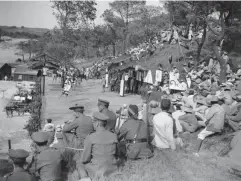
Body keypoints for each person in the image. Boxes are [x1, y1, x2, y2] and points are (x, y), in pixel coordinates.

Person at [76, 112, 118, 180]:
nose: (92, 124)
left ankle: (85, 178)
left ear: (97, 123)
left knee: (79, 163)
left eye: (93, 122)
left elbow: (85, 159)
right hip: (113, 169)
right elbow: (117, 154)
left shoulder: (91, 137)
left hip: (99, 170)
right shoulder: (113, 135)